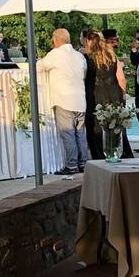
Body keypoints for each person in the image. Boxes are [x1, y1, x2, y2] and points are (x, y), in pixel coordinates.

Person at [36, 29, 89, 174]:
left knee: (68, 134)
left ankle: (71, 165)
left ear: (56, 40)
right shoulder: (79, 56)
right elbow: (84, 74)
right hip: (80, 99)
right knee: (80, 133)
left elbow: (39, 67)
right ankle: (83, 163)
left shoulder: (55, 54)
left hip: (64, 99)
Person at [85, 30, 133, 160]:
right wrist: (122, 94)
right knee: (116, 124)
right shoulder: (112, 55)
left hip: (97, 94)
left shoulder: (88, 58)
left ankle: (100, 155)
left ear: (89, 41)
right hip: (114, 92)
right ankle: (119, 152)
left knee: (96, 126)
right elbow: (121, 78)